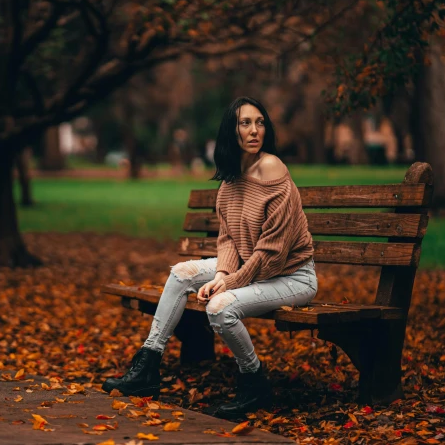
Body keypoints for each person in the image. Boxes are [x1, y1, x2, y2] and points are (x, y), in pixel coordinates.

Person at [102, 97, 317, 417]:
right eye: (245, 123)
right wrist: (220, 275)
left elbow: (272, 254)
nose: (254, 130)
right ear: (231, 131)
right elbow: (228, 239)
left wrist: (228, 283)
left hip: (291, 275)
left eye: (260, 123)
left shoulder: (272, 168)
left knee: (220, 308)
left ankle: (254, 382)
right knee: (181, 272)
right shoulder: (230, 179)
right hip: (250, 266)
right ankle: (147, 366)